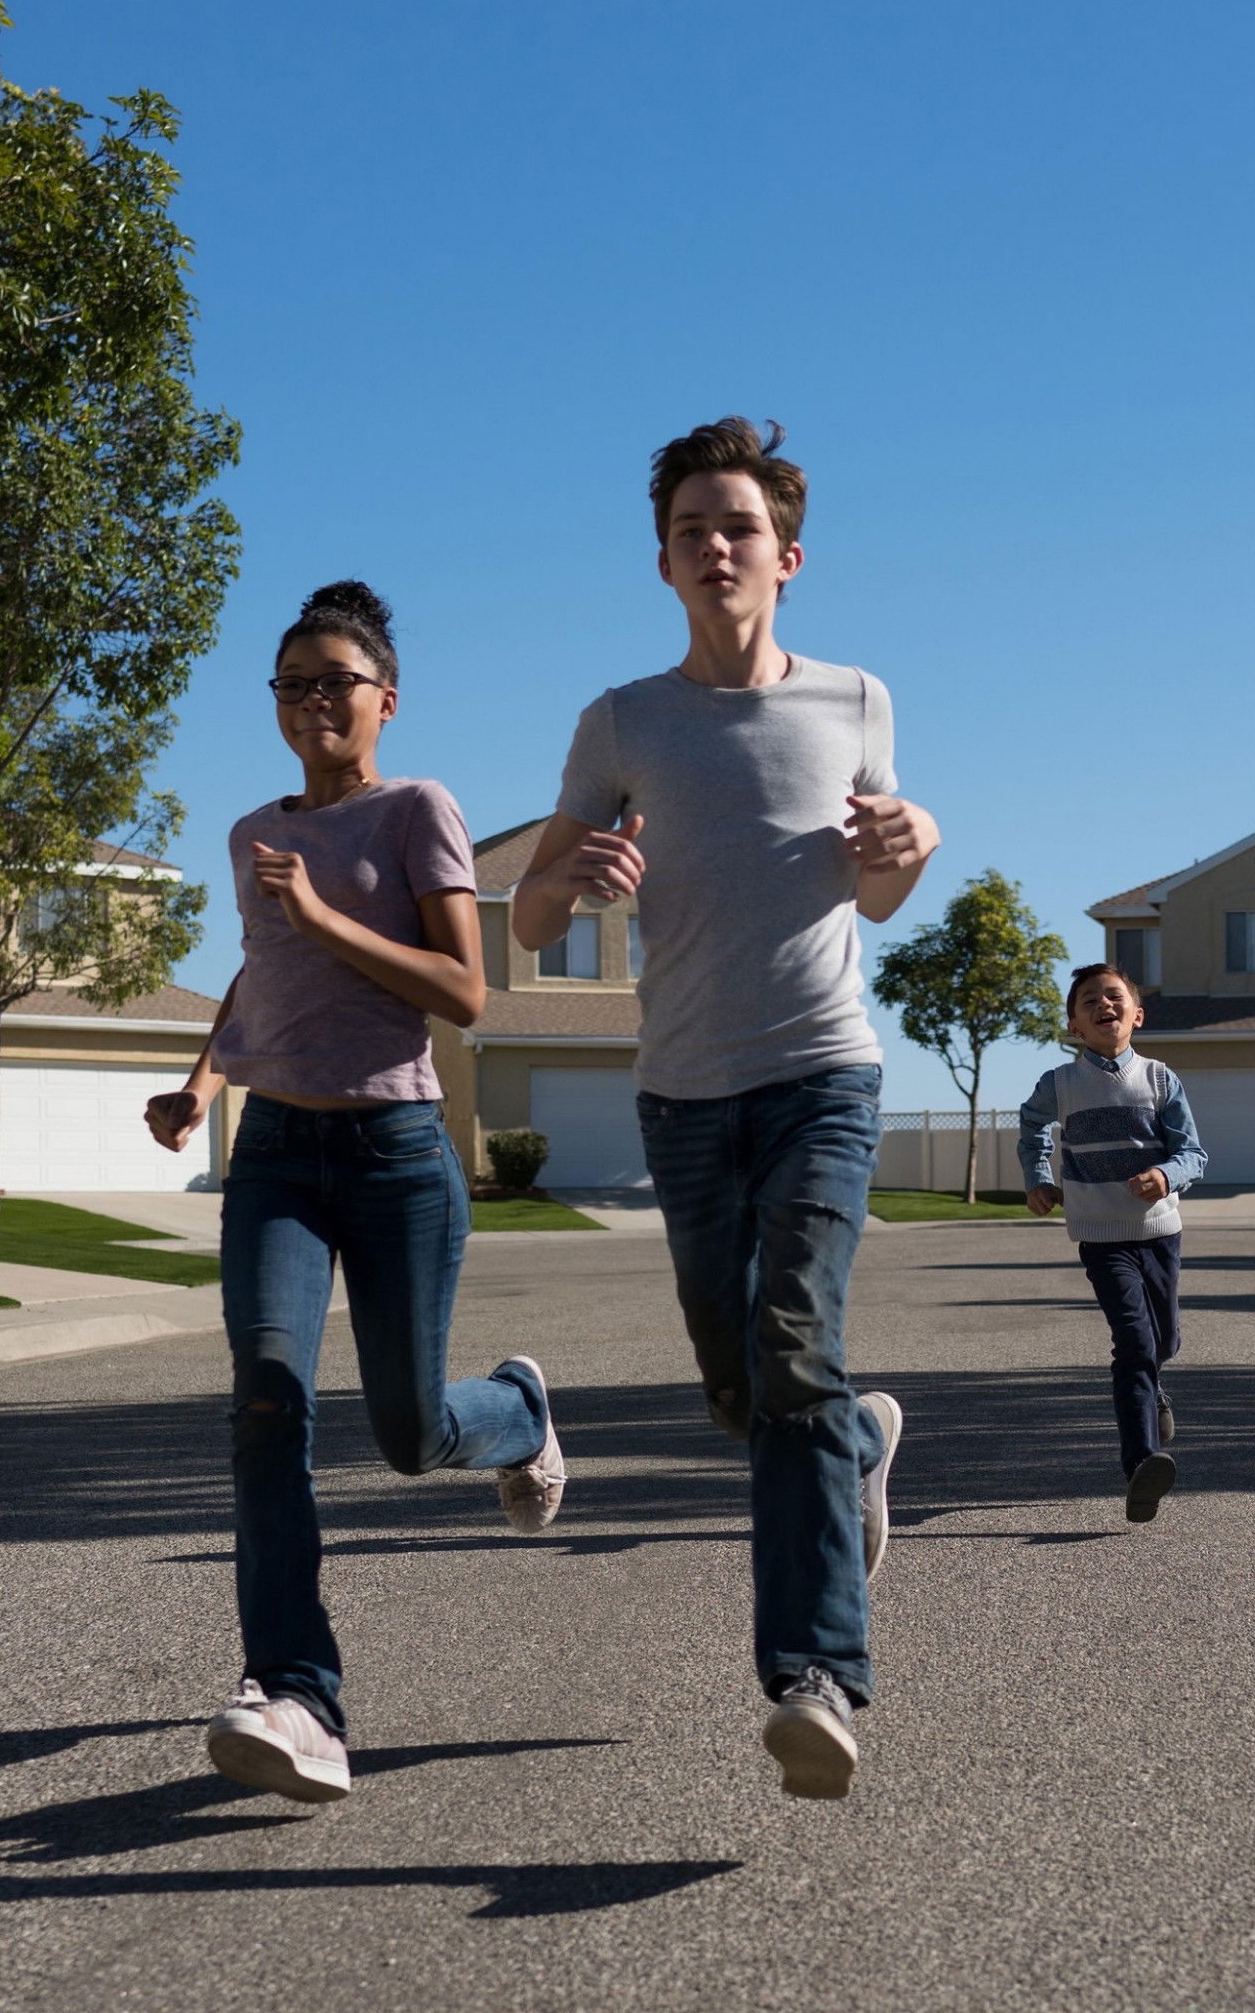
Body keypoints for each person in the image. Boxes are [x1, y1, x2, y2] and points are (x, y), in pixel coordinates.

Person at [511, 417, 938, 1800]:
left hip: (824, 1071)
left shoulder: (857, 701)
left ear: (786, 557)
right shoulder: (622, 722)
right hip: (683, 1093)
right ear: (663, 563)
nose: (715, 547)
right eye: (690, 529)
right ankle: (857, 1446)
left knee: (796, 1342)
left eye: (738, 526)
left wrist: (916, 843)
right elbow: (528, 920)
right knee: (740, 1388)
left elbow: (879, 890)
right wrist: (572, 878)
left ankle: (818, 1677)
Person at [144, 579, 566, 1806]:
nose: (313, 701)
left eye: (337, 681)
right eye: (293, 683)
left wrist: (323, 914)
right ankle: (296, 1695)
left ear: (387, 699)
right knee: (265, 1408)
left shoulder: (417, 809)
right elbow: (259, 972)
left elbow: (463, 990)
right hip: (276, 1153)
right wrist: (201, 1083)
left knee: (409, 1436)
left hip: (394, 1155)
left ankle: (519, 1414)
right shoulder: (251, 834)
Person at [1018, 962, 1209, 1523]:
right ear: (1074, 1025)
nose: (1103, 1005)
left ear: (1137, 1016)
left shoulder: (1160, 1080)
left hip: (1159, 1233)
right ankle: (1141, 1464)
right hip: (1101, 1238)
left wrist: (1167, 1175)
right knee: (1133, 1343)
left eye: (1114, 997)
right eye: (1089, 1001)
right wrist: (1037, 1176)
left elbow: (1193, 1153)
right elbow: (1031, 1126)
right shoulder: (1060, 1084)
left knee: (1163, 1341)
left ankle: (1155, 1392)